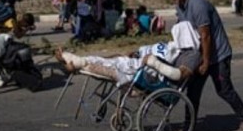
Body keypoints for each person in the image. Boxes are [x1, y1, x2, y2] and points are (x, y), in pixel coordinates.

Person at [167, 0, 243, 131]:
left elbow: (206, 36)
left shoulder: (198, 5)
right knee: (192, 92)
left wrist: (206, 62)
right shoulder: (180, 6)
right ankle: (189, 128)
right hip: (199, 55)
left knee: (224, 90)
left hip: (217, 55)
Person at [55, 21, 202, 88]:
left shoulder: (192, 55)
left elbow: (178, 75)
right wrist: (138, 53)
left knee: (107, 65)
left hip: (143, 73)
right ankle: (73, 61)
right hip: (136, 63)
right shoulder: (173, 46)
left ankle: (74, 64)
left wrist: (153, 61)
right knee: (110, 59)